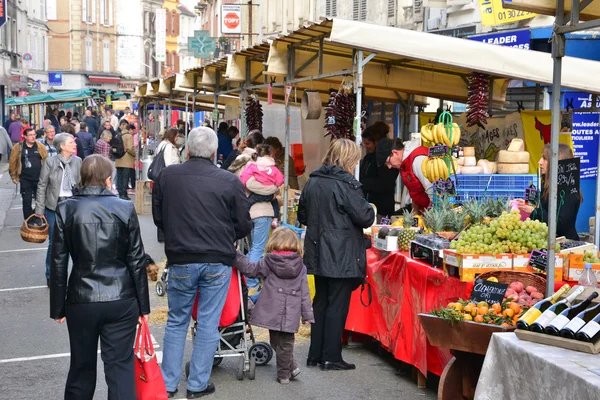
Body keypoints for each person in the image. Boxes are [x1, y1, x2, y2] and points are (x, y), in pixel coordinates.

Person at [152, 127, 252, 398]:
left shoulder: (166, 177)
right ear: (213, 152)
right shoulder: (228, 180)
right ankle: (197, 384)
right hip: (217, 258)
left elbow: (158, 218)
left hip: (181, 257)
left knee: (176, 321)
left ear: (187, 150)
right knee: (208, 322)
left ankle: (168, 384)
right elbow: (243, 224)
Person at [50, 154, 150, 400]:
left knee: (81, 366)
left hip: (81, 297)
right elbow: (137, 259)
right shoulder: (124, 207)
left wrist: (57, 308)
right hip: (121, 296)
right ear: (108, 180)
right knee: (120, 367)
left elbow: (58, 262)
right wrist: (143, 306)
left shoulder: (66, 208)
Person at [298, 139, 374, 371]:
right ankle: (331, 356)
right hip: (340, 252)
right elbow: (365, 217)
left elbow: (303, 215)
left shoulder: (313, 181)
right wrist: (369, 207)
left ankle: (315, 355)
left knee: (321, 301)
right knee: (337, 304)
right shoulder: (345, 185)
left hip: (317, 248)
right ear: (349, 159)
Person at [234, 227, 314, 384]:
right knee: (286, 343)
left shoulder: (268, 262)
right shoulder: (300, 267)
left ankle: (283, 374)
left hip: (272, 309)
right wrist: (307, 315)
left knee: (276, 342)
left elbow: (250, 270)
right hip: (290, 311)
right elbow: (305, 293)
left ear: (273, 243)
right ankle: (292, 367)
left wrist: (236, 255)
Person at [229, 130, 279, 301]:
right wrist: (272, 191)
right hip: (260, 210)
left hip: (244, 210)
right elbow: (250, 183)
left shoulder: (239, 159)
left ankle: (247, 278)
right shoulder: (253, 162)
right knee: (257, 248)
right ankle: (250, 281)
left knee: (250, 248)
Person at [35, 133, 82, 287]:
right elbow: (42, 185)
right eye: (71, 142)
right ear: (62, 146)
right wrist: (39, 209)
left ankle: (75, 277)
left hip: (72, 206)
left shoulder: (78, 161)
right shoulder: (50, 162)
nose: (74, 145)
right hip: (53, 207)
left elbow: (82, 185)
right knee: (54, 244)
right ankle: (52, 276)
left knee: (74, 242)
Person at [517, 143, 581, 240]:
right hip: (546, 242)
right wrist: (528, 205)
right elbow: (543, 211)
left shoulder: (569, 191)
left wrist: (533, 211)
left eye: (544, 159)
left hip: (565, 245)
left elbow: (561, 224)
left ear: (557, 161)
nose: (539, 162)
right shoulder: (546, 186)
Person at [376, 137, 432, 215]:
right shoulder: (404, 163)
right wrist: (415, 217)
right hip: (423, 213)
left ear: (395, 152)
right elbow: (415, 191)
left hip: (431, 214)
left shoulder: (418, 160)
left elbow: (433, 193)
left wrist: (427, 218)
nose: (389, 167)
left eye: (388, 162)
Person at [360, 122, 399, 218]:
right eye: (364, 143)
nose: (365, 146)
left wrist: (362, 183)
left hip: (382, 208)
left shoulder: (385, 160)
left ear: (376, 142)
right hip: (367, 206)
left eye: (368, 143)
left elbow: (385, 183)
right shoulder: (368, 158)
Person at [9, 128, 49, 220]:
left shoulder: (40, 146)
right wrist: (14, 176)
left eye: (34, 134)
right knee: (27, 201)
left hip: (39, 178)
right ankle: (28, 221)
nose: (33, 136)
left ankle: (38, 218)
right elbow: (13, 161)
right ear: (25, 136)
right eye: (30, 135)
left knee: (41, 201)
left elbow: (46, 160)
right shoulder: (18, 147)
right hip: (25, 179)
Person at [240, 144, 284, 225]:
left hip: (256, 196)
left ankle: (243, 219)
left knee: (247, 203)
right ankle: (275, 219)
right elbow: (280, 180)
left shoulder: (253, 166)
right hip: (270, 196)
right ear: (271, 154)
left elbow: (244, 178)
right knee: (275, 202)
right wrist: (275, 187)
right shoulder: (274, 168)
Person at [115, 122, 135, 200]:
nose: (133, 132)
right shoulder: (129, 136)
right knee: (125, 177)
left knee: (119, 177)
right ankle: (124, 194)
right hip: (126, 160)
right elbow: (129, 148)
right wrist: (134, 154)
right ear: (130, 130)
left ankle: (120, 193)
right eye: (133, 130)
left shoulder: (118, 135)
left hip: (118, 159)